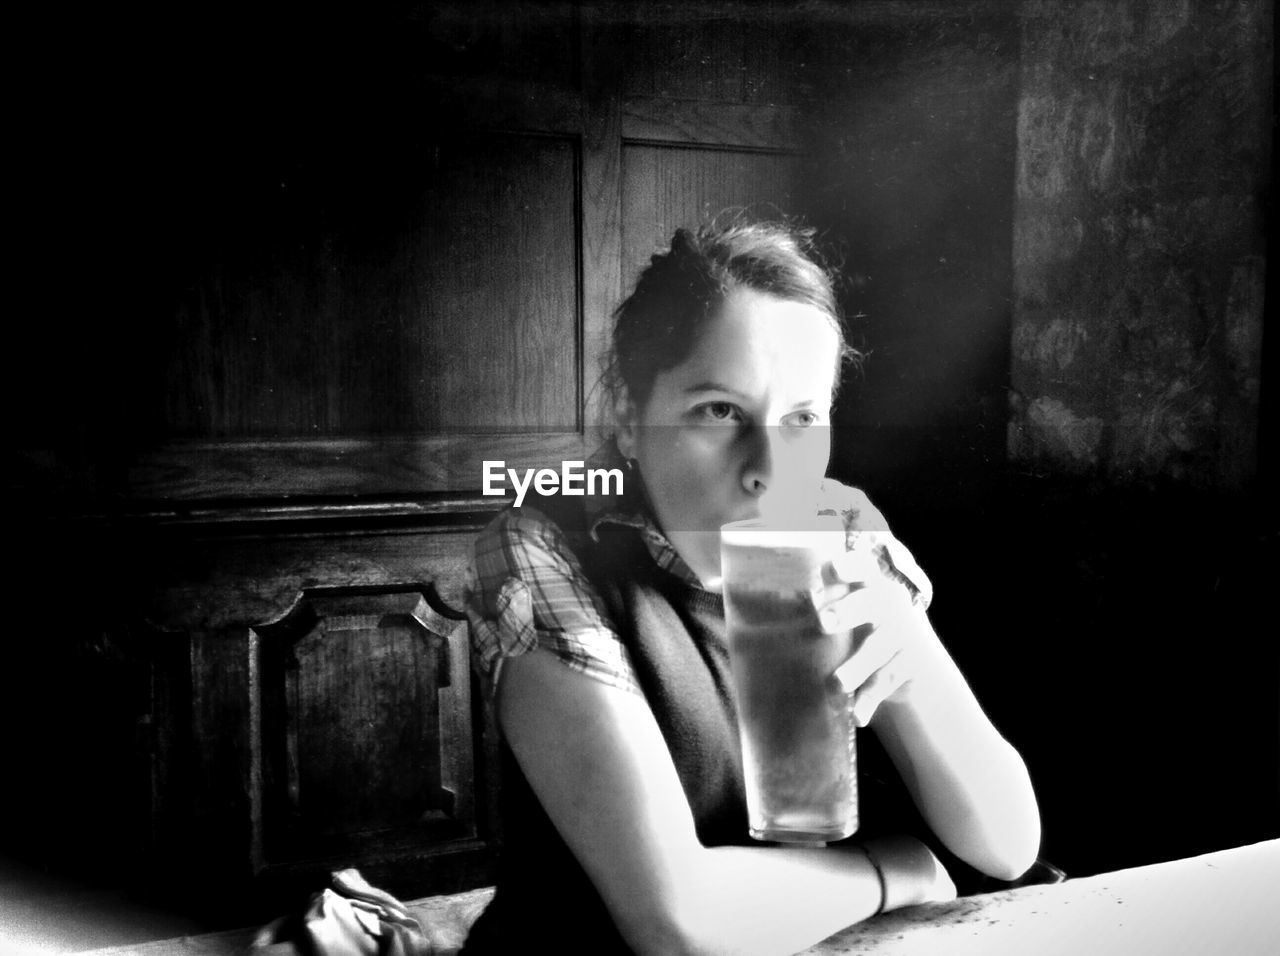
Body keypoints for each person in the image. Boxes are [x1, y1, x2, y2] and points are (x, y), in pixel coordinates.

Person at [462, 221, 1041, 955]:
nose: (769, 465)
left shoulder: (839, 529)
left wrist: (909, 667)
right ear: (628, 421)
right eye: (720, 410)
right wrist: (896, 872)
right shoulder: (543, 548)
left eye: (802, 417)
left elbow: (1008, 844)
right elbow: (678, 924)